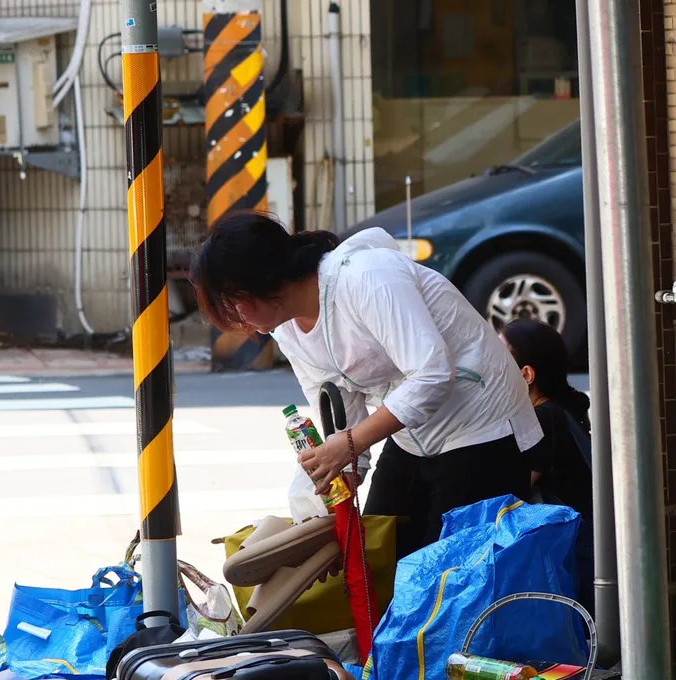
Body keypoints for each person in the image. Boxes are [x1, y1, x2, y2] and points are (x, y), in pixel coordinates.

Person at [191, 212, 543, 557]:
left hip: (482, 426)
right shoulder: (287, 329)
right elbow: (336, 407)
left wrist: (349, 444)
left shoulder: (365, 276)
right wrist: (343, 476)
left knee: (452, 575)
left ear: (261, 283)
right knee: (377, 557)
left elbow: (432, 374)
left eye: (231, 303)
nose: (236, 319)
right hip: (412, 434)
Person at [502, 317, 594, 612]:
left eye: (500, 358)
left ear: (526, 374)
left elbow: (512, 491)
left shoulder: (540, 420)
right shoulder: (565, 408)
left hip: (567, 554)